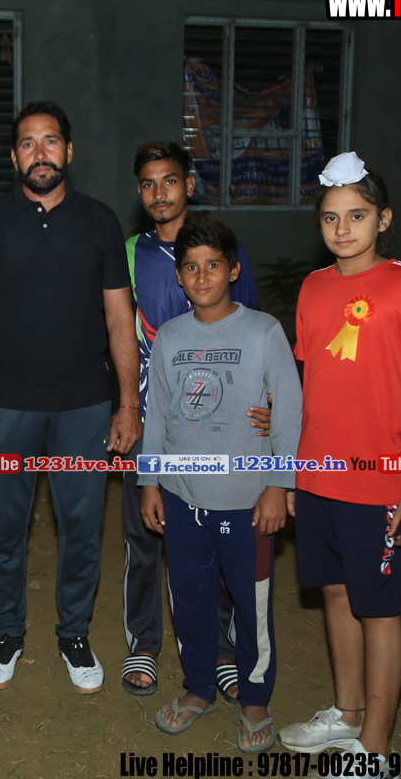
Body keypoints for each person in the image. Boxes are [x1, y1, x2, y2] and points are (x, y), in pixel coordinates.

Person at [0, 101, 140, 694]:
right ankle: (7, 632)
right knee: (5, 532)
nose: (40, 153)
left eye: (50, 141)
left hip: (84, 407)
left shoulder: (100, 220)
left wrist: (128, 404)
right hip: (6, 408)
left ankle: (74, 634)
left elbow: (120, 319)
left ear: (69, 151)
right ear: (14, 157)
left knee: (81, 531)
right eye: (28, 143)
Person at [279, 153, 401, 771]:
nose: (343, 228)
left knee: (377, 608)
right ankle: (347, 714)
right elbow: (309, 386)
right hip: (317, 477)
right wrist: (292, 473)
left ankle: (375, 747)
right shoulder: (313, 287)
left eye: (357, 215)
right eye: (331, 217)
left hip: (379, 482)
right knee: (334, 591)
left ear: (384, 219)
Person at [138, 216, 301, 752]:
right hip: (182, 498)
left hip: (247, 501)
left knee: (252, 605)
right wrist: (149, 481)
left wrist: (278, 484)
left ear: (233, 270)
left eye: (213, 265)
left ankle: (255, 698)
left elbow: (288, 414)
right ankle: (199, 688)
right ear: (179, 277)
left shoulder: (263, 331)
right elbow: (157, 415)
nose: (202, 276)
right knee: (189, 600)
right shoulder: (171, 337)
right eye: (190, 267)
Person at [121, 141, 268, 702]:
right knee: (145, 534)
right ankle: (144, 642)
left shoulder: (223, 248)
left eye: (170, 180)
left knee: (221, 535)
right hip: (150, 421)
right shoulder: (130, 252)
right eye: (148, 183)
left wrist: (264, 403)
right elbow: (116, 331)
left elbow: (252, 330)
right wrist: (125, 405)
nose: (160, 193)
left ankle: (223, 651)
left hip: (221, 426)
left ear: (188, 184)